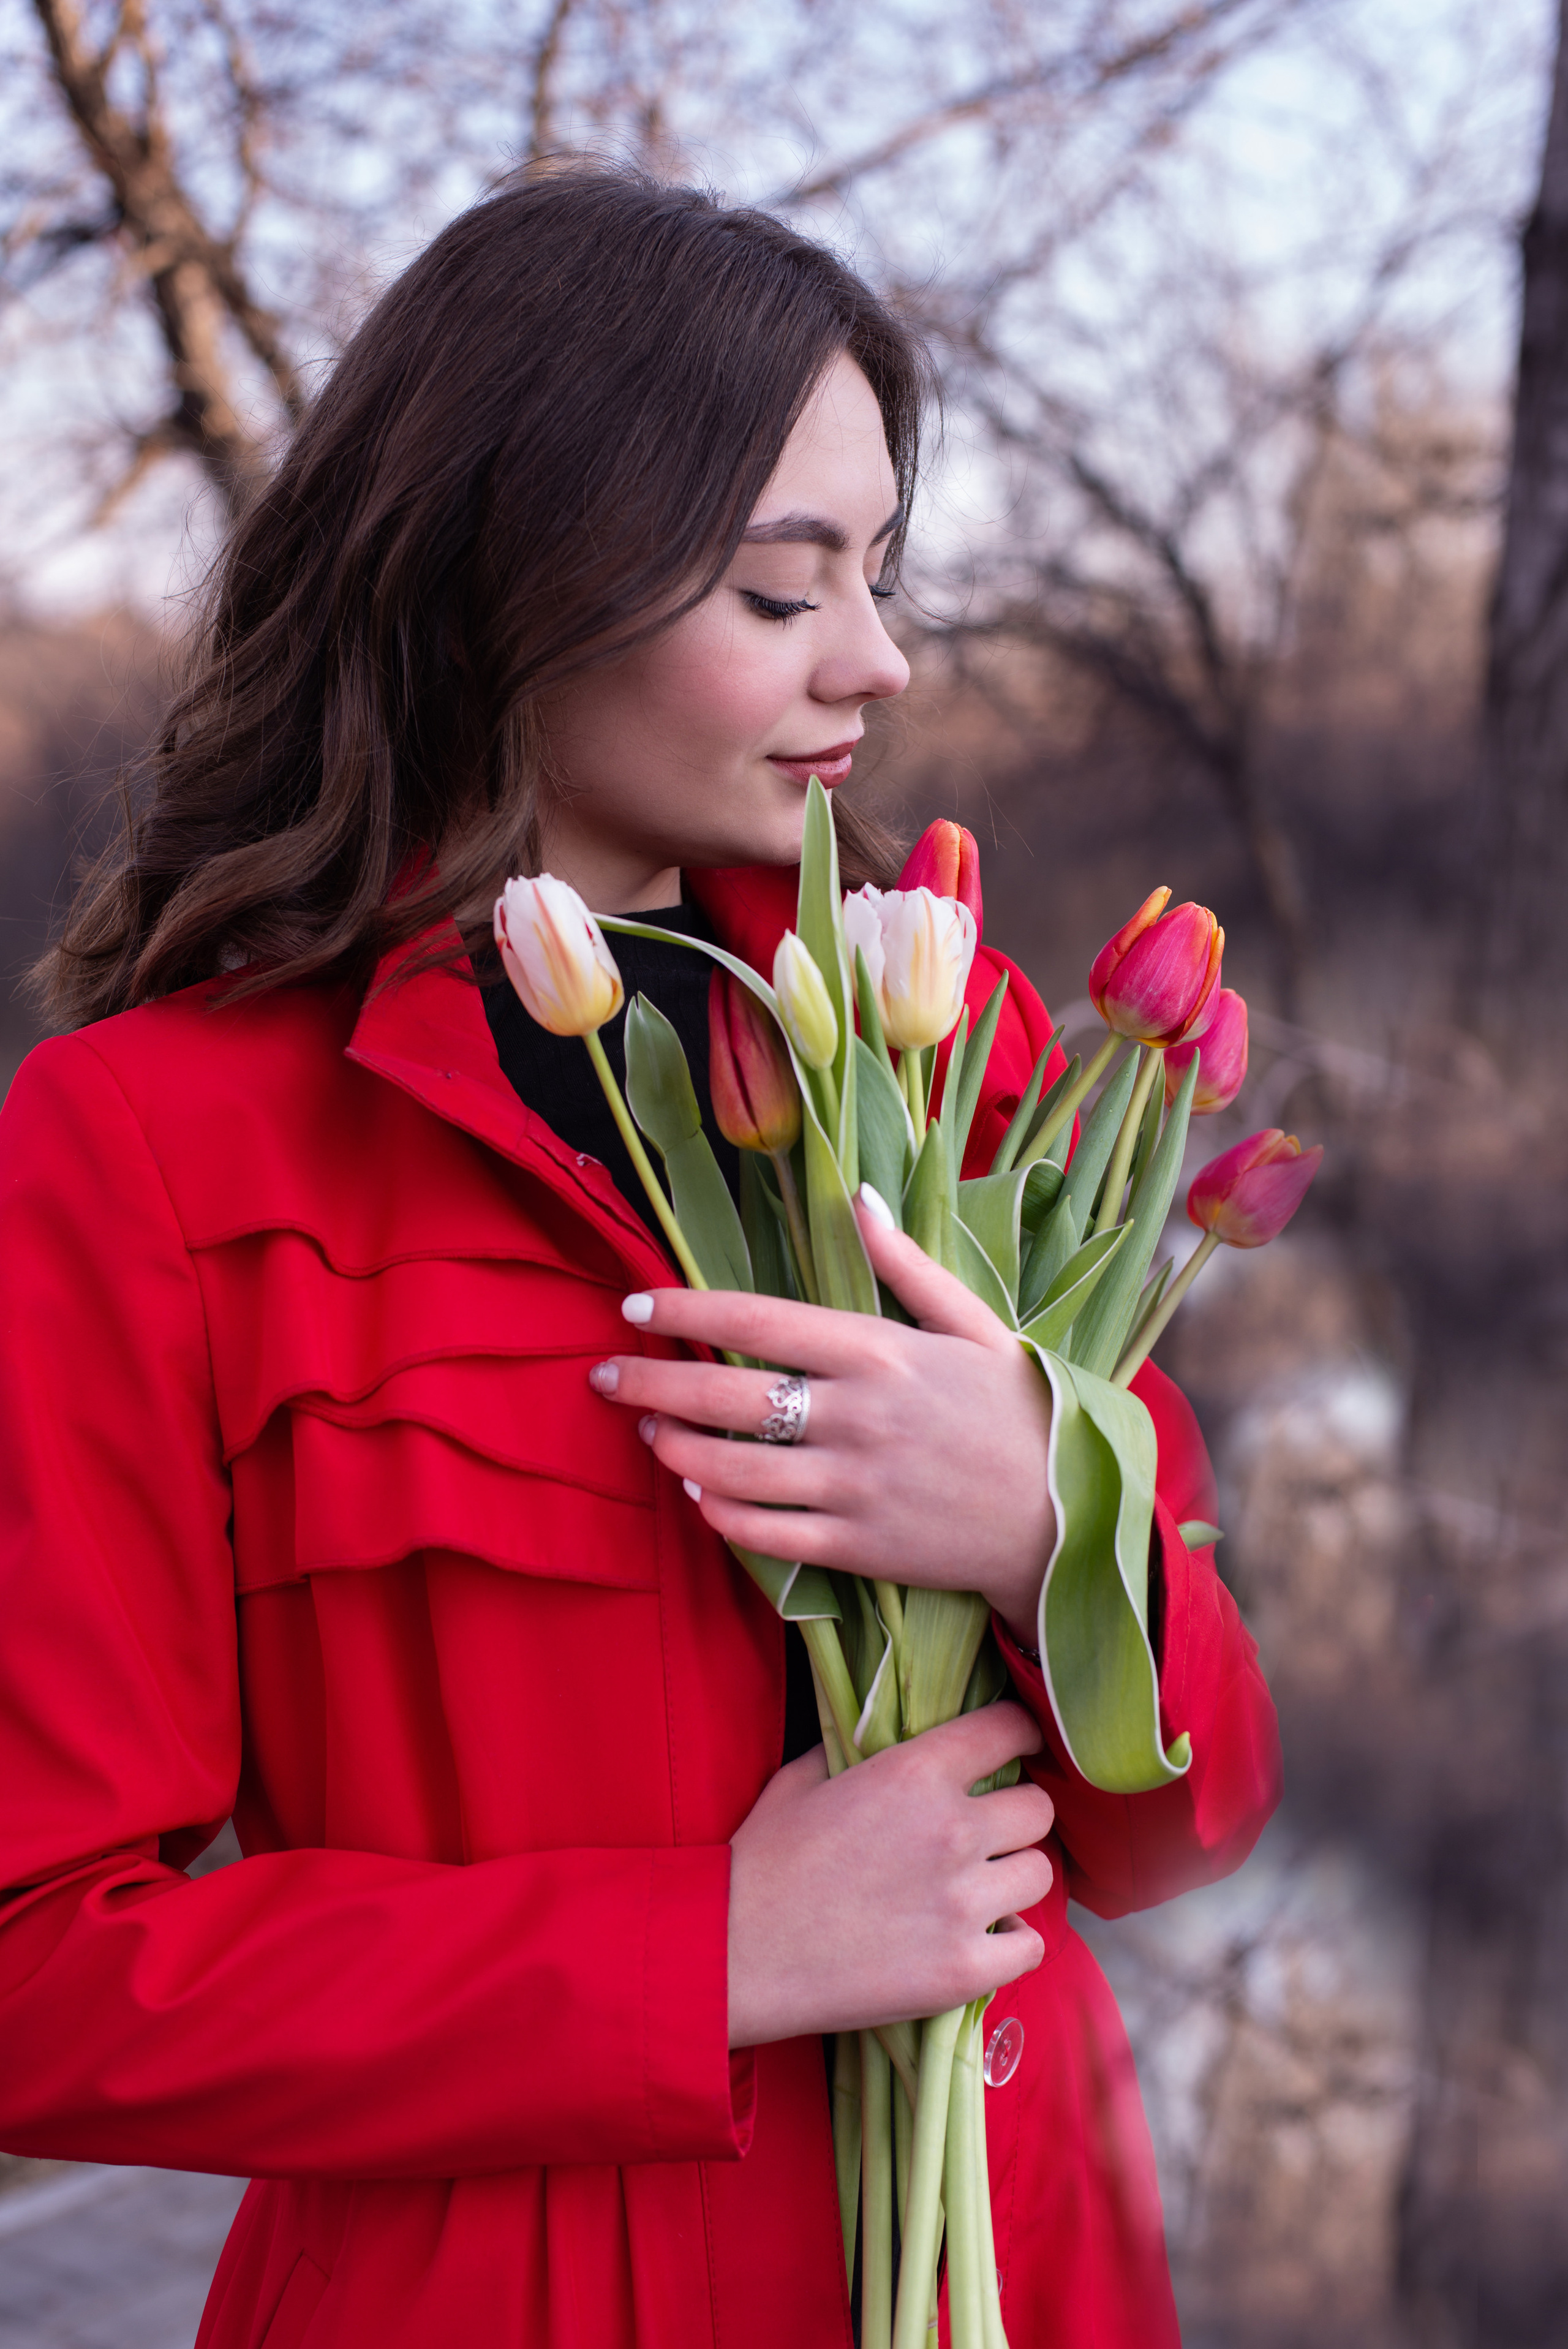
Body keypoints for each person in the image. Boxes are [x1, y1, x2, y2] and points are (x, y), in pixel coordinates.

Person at [0, 165, 1281, 2349]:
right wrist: (708, 1953)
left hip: (1024, 2254)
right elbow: (41, 1976)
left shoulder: (950, 1047)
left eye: (878, 571)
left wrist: (1044, 1524)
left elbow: (1187, 1825)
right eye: (784, 588)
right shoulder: (157, 1147)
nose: (877, 659)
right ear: (512, 584)